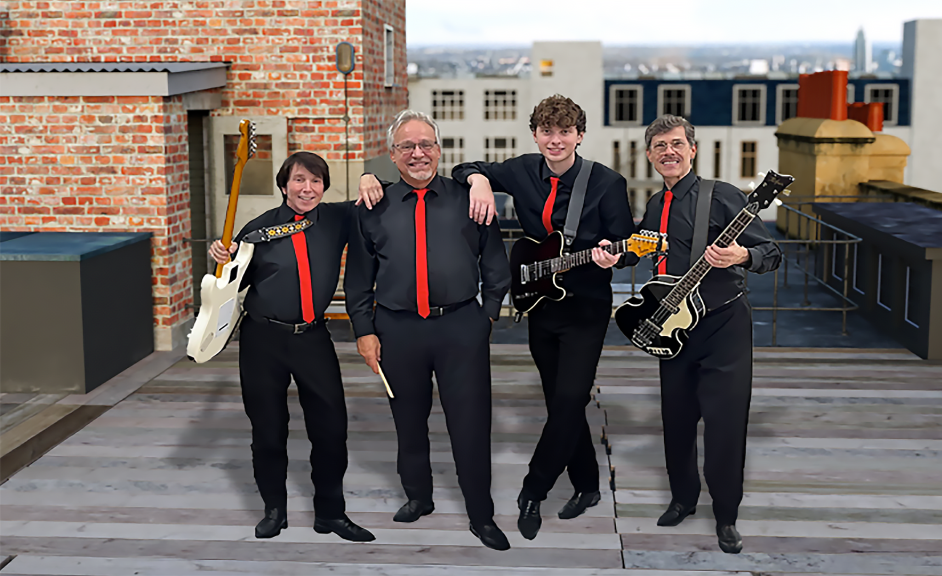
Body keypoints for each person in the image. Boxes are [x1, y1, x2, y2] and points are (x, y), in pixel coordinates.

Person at [358, 94, 633, 540]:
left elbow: (627, 244)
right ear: (536, 135)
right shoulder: (522, 169)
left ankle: (533, 489)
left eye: (565, 132)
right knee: (560, 402)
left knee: (570, 399)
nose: (556, 140)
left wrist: (614, 257)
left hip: (585, 306)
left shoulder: (606, 183)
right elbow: (468, 167)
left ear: (580, 136)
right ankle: (586, 484)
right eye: (547, 131)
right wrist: (480, 182)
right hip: (541, 304)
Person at [345, 110, 513, 551]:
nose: (417, 153)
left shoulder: (470, 199)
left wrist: (486, 316)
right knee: (408, 420)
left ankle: (481, 515)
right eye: (407, 146)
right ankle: (419, 496)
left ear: (439, 150)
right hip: (397, 329)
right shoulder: (372, 207)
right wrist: (364, 330)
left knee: (471, 423)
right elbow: (359, 279)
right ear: (393, 154)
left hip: (461, 326)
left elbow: (496, 265)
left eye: (425, 145)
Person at [618, 114, 781, 554]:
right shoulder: (656, 204)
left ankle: (726, 516)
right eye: (659, 146)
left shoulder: (723, 195)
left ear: (692, 149)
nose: (668, 152)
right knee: (676, 419)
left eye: (676, 144)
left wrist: (741, 255)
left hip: (723, 325)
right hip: (673, 327)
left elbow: (770, 252)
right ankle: (683, 499)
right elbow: (648, 252)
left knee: (725, 425)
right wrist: (615, 255)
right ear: (650, 155)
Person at [208, 151, 374, 543]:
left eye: (316, 181)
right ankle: (274, 511)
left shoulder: (337, 218)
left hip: (313, 338)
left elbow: (375, 199)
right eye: (299, 180)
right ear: (284, 186)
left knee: (331, 429)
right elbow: (227, 286)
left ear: (324, 187)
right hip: (262, 340)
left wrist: (369, 177)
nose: (308, 188)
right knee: (268, 431)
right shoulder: (257, 230)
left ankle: (330, 514)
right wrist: (221, 259)